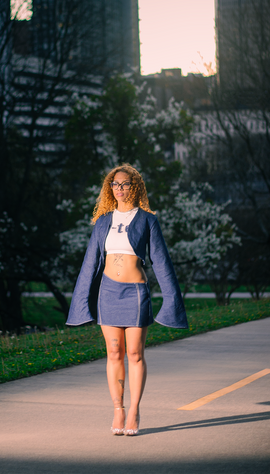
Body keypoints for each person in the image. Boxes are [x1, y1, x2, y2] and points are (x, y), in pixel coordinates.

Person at [66, 164, 188, 436]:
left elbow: (161, 261)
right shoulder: (102, 222)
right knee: (114, 353)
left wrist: (172, 301)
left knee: (134, 353)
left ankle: (134, 409)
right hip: (108, 293)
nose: (120, 189)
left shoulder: (147, 220)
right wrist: (81, 301)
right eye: (115, 184)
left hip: (135, 292)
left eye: (125, 184)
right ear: (110, 188)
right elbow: (90, 263)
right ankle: (118, 409)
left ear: (136, 187)